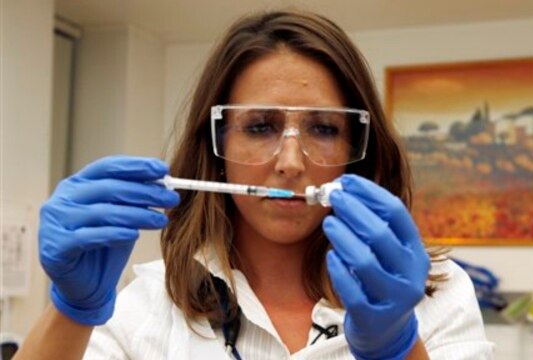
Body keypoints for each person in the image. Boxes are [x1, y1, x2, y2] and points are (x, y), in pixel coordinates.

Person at [15, 10, 493, 360]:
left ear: (357, 151)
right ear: (216, 147)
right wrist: (71, 310)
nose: (289, 163)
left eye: (323, 128)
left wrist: (400, 347)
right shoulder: (147, 308)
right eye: (260, 127)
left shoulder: (437, 296)